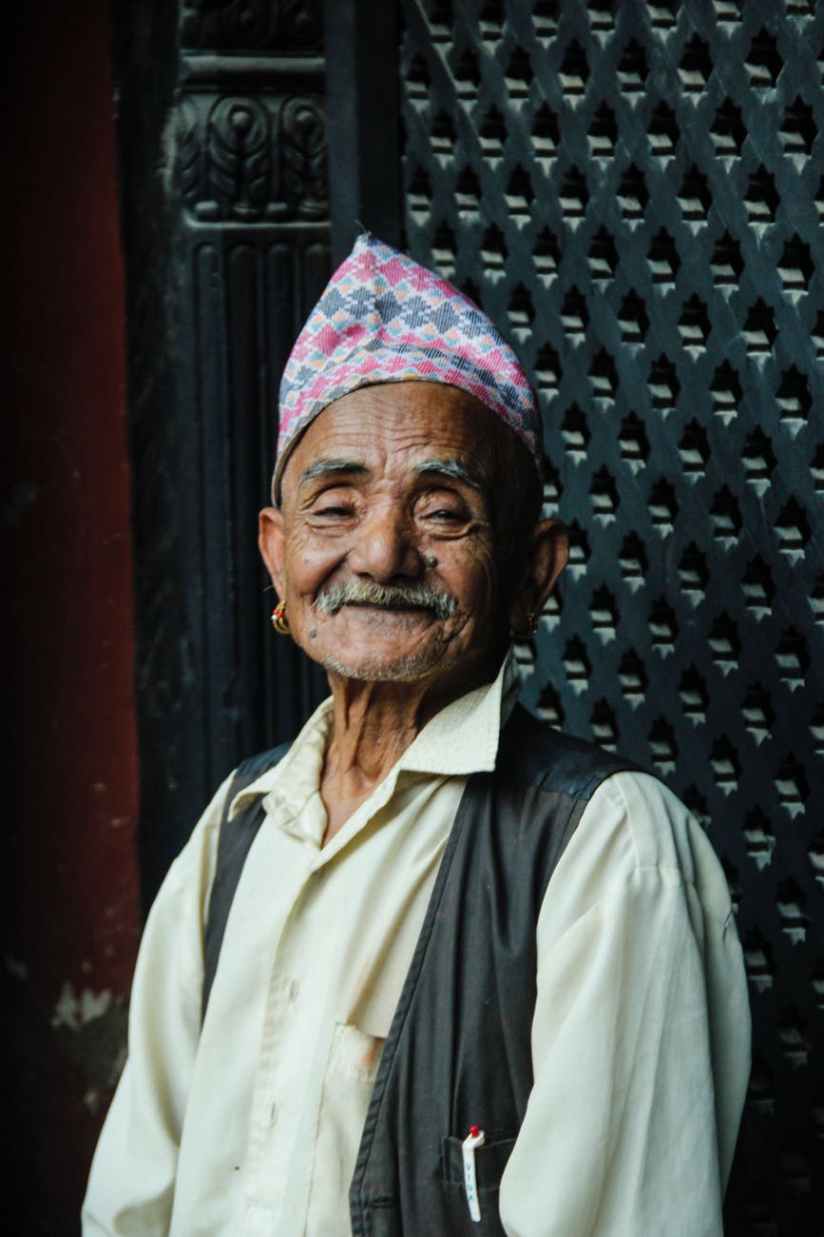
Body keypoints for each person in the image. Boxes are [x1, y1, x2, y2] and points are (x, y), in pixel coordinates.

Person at [83, 235, 751, 1236]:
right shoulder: (238, 831)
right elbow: (133, 1205)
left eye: (442, 512)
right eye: (335, 505)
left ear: (531, 572)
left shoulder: (604, 849)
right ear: (277, 554)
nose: (383, 548)